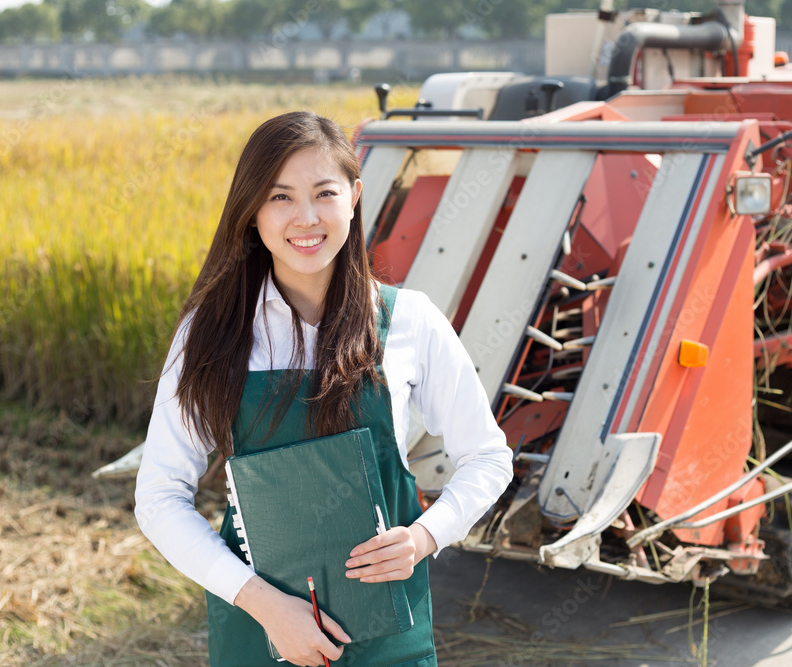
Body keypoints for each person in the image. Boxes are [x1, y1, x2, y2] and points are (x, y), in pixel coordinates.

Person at [134, 110, 514, 667]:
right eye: (280, 197)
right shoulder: (212, 333)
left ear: (355, 197)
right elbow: (159, 498)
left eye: (324, 193)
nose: (305, 218)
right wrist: (266, 606)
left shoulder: (409, 320)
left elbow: (487, 457)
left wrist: (425, 537)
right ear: (252, 212)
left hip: (389, 632)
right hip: (261, 631)